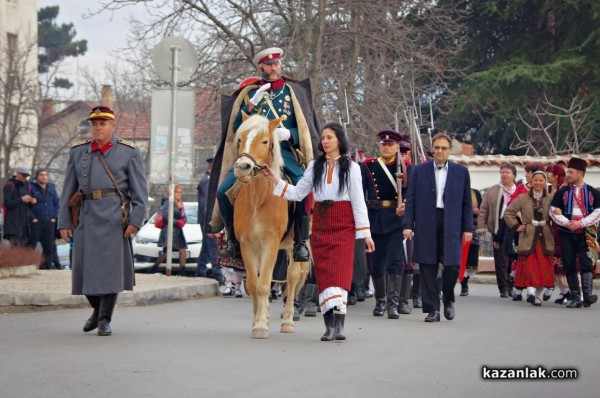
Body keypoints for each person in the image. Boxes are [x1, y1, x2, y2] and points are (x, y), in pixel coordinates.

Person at [206, 47, 320, 265]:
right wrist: (251, 104)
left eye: (276, 63)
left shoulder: (291, 92)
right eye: (269, 65)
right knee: (223, 191)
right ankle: (232, 241)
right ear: (261, 67)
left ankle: (300, 243)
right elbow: (237, 129)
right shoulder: (250, 94)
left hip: (284, 154)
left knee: (303, 189)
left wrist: (289, 134)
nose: (273, 68)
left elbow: (305, 127)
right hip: (254, 155)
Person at [263, 122, 375, 341]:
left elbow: (359, 201)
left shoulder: (351, 167)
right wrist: (276, 180)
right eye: (323, 137)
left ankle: (340, 325)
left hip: (344, 223)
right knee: (324, 274)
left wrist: (366, 233)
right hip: (322, 223)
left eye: (329, 137)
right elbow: (297, 193)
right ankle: (329, 327)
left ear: (339, 140)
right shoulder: (315, 166)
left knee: (340, 273)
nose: (325, 141)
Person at [58, 105, 148, 336]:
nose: (97, 128)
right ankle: (97, 310)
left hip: (113, 218)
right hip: (85, 217)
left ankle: (104, 319)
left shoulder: (129, 152)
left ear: (112, 126)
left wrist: (136, 221)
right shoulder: (78, 151)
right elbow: (68, 189)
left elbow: (139, 192)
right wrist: (64, 222)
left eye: (102, 124)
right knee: (83, 269)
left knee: (110, 271)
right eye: (94, 124)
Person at [403, 132, 473, 322]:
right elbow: (411, 200)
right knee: (427, 266)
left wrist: (468, 228)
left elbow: (467, 203)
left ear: (450, 150)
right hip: (426, 221)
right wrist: (408, 224)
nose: (440, 151)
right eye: (437, 148)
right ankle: (432, 309)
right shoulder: (419, 171)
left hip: (451, 223)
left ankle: (448, 298)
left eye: (443, 148)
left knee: (451, 265)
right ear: (432, 150)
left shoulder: (461, 172)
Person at [361, 130, 408, 319]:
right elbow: (361, 192)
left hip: (396, 220)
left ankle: (393, 304)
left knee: (396, 261)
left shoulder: (405, 168)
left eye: (390, 145)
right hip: (375, 218)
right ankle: (380, 301)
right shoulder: (368, 166)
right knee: (376, 261)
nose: (386, 147)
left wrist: (405, 207)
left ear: (397, 147)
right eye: (384, 144)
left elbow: (410, 193)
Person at [549, 157, 600, 308]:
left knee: (586, 263)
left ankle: (587, 296)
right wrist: (567, 223)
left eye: (571, 172)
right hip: (566, 232)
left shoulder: (593, 192)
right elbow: (552, 211)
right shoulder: (562, 192)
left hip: (586, 232)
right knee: (569, 263)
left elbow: (598, 212)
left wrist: (581, 223)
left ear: (580, 173)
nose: (568, 175)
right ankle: (576, 297)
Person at [477, 162, 528, 298]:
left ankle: (513, 285)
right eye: (502, 172)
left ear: (514, 175)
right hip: (499, 227)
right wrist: (481, 227)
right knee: (500, 259)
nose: (504, 175)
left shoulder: (521, 190)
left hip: (516, 227)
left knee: (513, 258)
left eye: (508, 172)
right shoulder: (493, 190)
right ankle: (503, 288)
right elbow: (483, 209)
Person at [504, 171, 555, 306]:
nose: (538, 183)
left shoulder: (551, 198)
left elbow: (557, 213)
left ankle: (537, 297)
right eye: (535, 180)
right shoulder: (522, 198)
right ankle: (530, 292)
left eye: (541, 180)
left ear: (545, 183)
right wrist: (516, 226)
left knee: (543, 267)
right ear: (531, 182)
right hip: (528, 235)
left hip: (545, 236)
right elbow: (508, 212)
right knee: (530, 265)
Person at [195, 158, 225, 283]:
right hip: (208, 220)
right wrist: (210, 223)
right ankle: (218, 274)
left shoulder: (207, 179)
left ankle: (200, 271)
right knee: (213, 246)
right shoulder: (208, 181)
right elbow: (206, 204)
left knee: (206, 246)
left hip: (206, 219)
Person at [151, 184, 188, 276]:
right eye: (177, 192)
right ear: (172, 192)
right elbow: (165, 216)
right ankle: (153, 268)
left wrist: (183, 221)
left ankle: (182, 271)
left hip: (178, 231)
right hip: (169, 230)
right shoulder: (168, 201)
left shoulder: (179, 203)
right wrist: (178, 222)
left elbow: (184, 216)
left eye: (180, 192)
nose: (179, 194)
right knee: (167, 253)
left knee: (182, 250)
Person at [28, 168, 62, 270]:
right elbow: (27, 206)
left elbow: (56, 203)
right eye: (41, 175)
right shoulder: (31, 187)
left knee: (49, 246)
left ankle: (48, 266)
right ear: (37, 176)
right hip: (36, 221)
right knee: (31, 244)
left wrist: (55, 217)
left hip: (49, 221)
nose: (44, 177)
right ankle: (29, 265)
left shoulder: (51, 187)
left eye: (46, 175)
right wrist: (32, 218)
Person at [2, 166, 36, 247]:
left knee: (23, 251)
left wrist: (32, 201)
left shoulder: (28, 186)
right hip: (14, 224)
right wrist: (21, 199)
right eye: (23, 175)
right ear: (17, 173)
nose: (25, 178)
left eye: (26, 176)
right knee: (15, 250)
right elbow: (7, 203)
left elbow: (29, 207)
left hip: (25, 225)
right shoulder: (10, 185)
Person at [461, 188, 483, 296]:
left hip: (472, 226)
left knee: (470, 257)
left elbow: (483, 209)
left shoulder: (475, 192)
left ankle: (464, 284)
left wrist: (477, 211)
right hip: (456, 226)